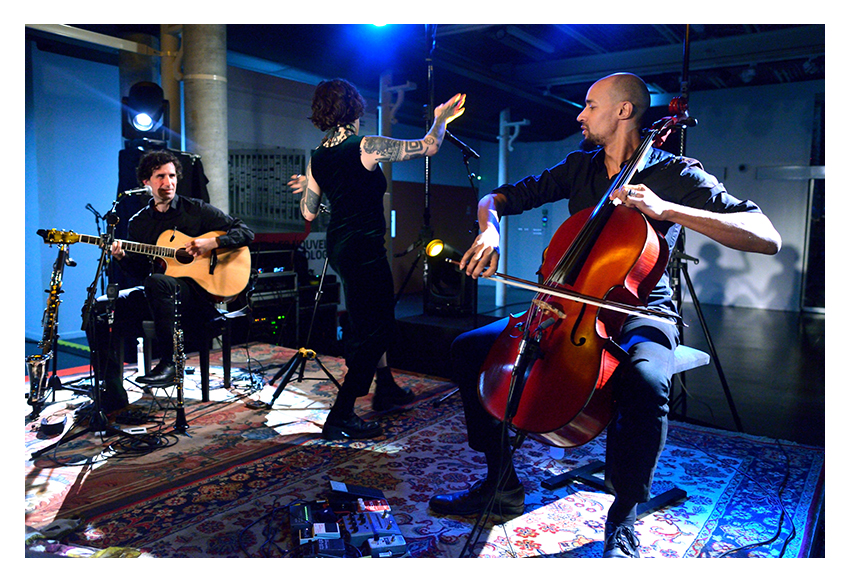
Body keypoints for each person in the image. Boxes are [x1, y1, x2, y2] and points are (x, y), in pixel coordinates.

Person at [427, 73, 782, 558]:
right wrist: (489, 230)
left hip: (642, 310)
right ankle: (501, 485)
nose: (579, 114)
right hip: (565, 302)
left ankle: (624, 514)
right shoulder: (580, 167)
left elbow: (765, 235)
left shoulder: (678, 174)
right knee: (469, 350)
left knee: (646, 381)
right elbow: (499, 198)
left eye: (590, 106)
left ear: (623, 111)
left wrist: (670, 210)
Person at [288, 78, 465, 440]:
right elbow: (429, 147)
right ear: (354, 108)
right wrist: (440, 118)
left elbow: (308, 213)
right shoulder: (365, 145)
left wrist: (309, 188)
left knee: (369, 317)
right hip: (363, 248)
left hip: (341, 245)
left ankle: (384, 387)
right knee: (377, 328)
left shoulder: (317, 157)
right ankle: (341, 415)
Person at [86, 150, 254, 412]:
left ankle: (170, 361)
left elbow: (245, 232)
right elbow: (140, 273)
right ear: (146, 182)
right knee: (98, 307)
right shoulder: (138, 222)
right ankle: (112, 392)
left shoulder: (196, 210)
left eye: (172, 176)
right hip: (160, 293)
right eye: (160, 176)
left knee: (158, 282)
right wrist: (121, 257)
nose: (168, 183)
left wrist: (213, 242)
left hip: (196, 296)